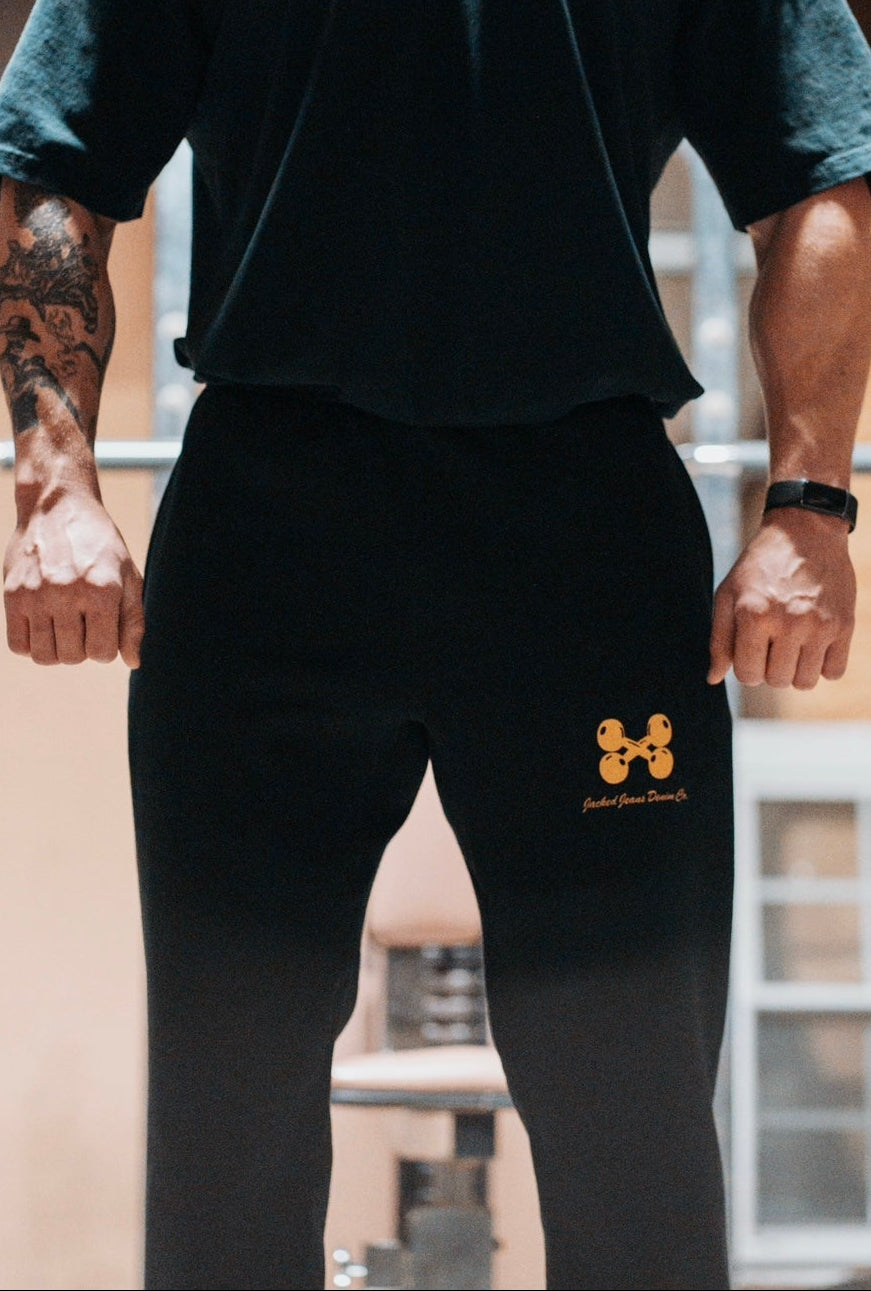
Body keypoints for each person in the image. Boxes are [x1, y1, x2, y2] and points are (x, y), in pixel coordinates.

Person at [0, 1, 870, 1287]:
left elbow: (820, 174)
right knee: (228, 1087)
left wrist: (806, 506)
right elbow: (54, 162)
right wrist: (53, 482)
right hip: (273, 523)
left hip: (579, 535)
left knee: (627, 1088)